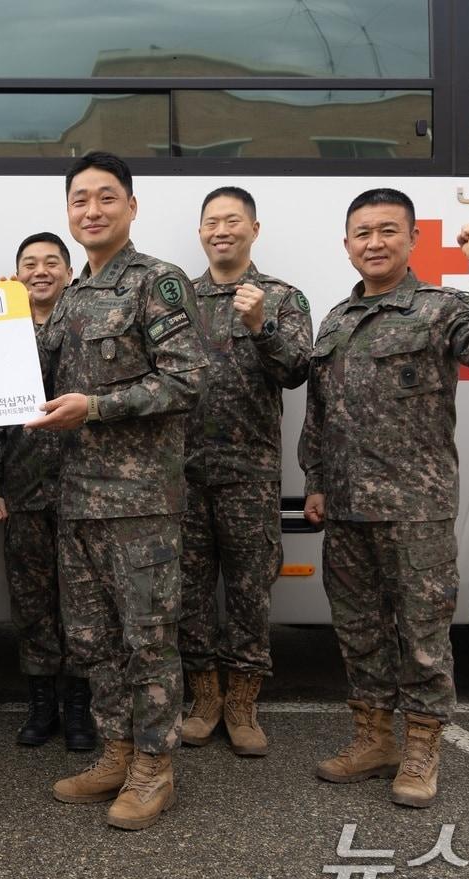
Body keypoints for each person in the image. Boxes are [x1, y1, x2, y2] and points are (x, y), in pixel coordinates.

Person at [301, 188, 469, 807]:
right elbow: (320, 413)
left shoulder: (439, 309)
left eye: (386, 231)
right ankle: (374, 739)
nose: (373, 243)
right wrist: (315, 480)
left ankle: (423, 747)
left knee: (422, 631)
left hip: (415, 507)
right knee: (358, 629)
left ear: (411, 240)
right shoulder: (335, 321)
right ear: (346, 244)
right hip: (346, 508)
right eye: (362, 233)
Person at [28, 151, 207, 831]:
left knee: (148, 638)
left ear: (131, 207)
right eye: (80, 199)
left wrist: (96, 408)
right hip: (78, 500)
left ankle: (155, 768)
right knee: (93, 638)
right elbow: (31, 381)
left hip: (141, 505)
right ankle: (116, 751)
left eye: (106, 197)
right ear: (68, 211)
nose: (92, 210)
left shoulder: (157, 283)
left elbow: (187, 381)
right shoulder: (72, 295)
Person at [176, 187, 312, 756]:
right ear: (201, 231)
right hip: (182, 472)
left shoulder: (280, 297)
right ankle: (204, 697)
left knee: (251, 590)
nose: (221, 230)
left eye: (233, 221)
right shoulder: (176, 297)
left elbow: (297, 371)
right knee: (189, 591)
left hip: (249, 473)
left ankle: (242, 703)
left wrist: (261, 327)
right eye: (212, 222)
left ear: (254, 229)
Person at [0, 232, 95, 750]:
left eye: (52, 262)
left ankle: (79, 708)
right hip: (24, 490)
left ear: (70, 274)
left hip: (81, 490)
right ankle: (40, 705)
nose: (40, 270)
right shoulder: (0, 333)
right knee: (32, 604)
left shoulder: (85, 323)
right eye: (29, 263)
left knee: (81, 604)